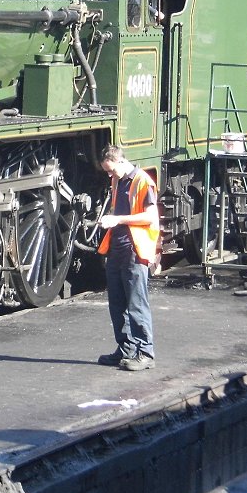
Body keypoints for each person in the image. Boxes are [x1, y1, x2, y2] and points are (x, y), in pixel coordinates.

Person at [96, 145, 159, 371]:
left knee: (136, 304)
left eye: (111, 171)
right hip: (117, 249)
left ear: (121, 162)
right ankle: (125, 348)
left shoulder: (143, 181)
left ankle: (145, 352)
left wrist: (117, 220)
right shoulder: (118, 181)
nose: (110, 176)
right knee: (117, 304)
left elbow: (151, 217)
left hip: (135, 250)